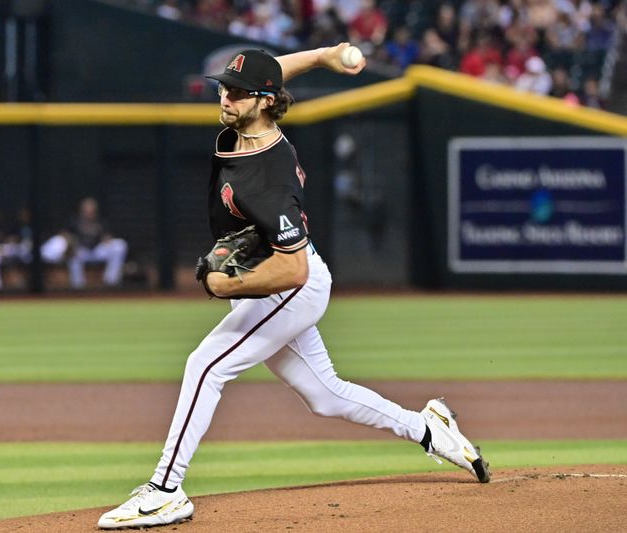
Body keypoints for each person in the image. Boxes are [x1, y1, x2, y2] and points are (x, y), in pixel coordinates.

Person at [97, 44, 490, 530]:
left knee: (206, 365)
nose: (226, 97)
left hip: (290, 287)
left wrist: (228, 286)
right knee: (326, 395)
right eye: (224, 87)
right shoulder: (252, 114)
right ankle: (429, 429)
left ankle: (165, 490)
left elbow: (294, 270)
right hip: (288, 279)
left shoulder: (269, 181)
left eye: (237, 92)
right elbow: (275, 69)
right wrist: (326, 55)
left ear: (264, 101)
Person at [40, 197, 128, 289]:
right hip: (81, 251)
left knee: (120, 245)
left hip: (96, 251)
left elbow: (108, 237)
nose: (89, 211)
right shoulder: (74, 221)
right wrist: (71, 241)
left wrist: (107, 240)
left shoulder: (101, 222)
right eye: (87, 208)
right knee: (72, 252)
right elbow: (64, 234)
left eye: (91, 208)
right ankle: (78, 286)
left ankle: (111, 282)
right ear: (81, 209)